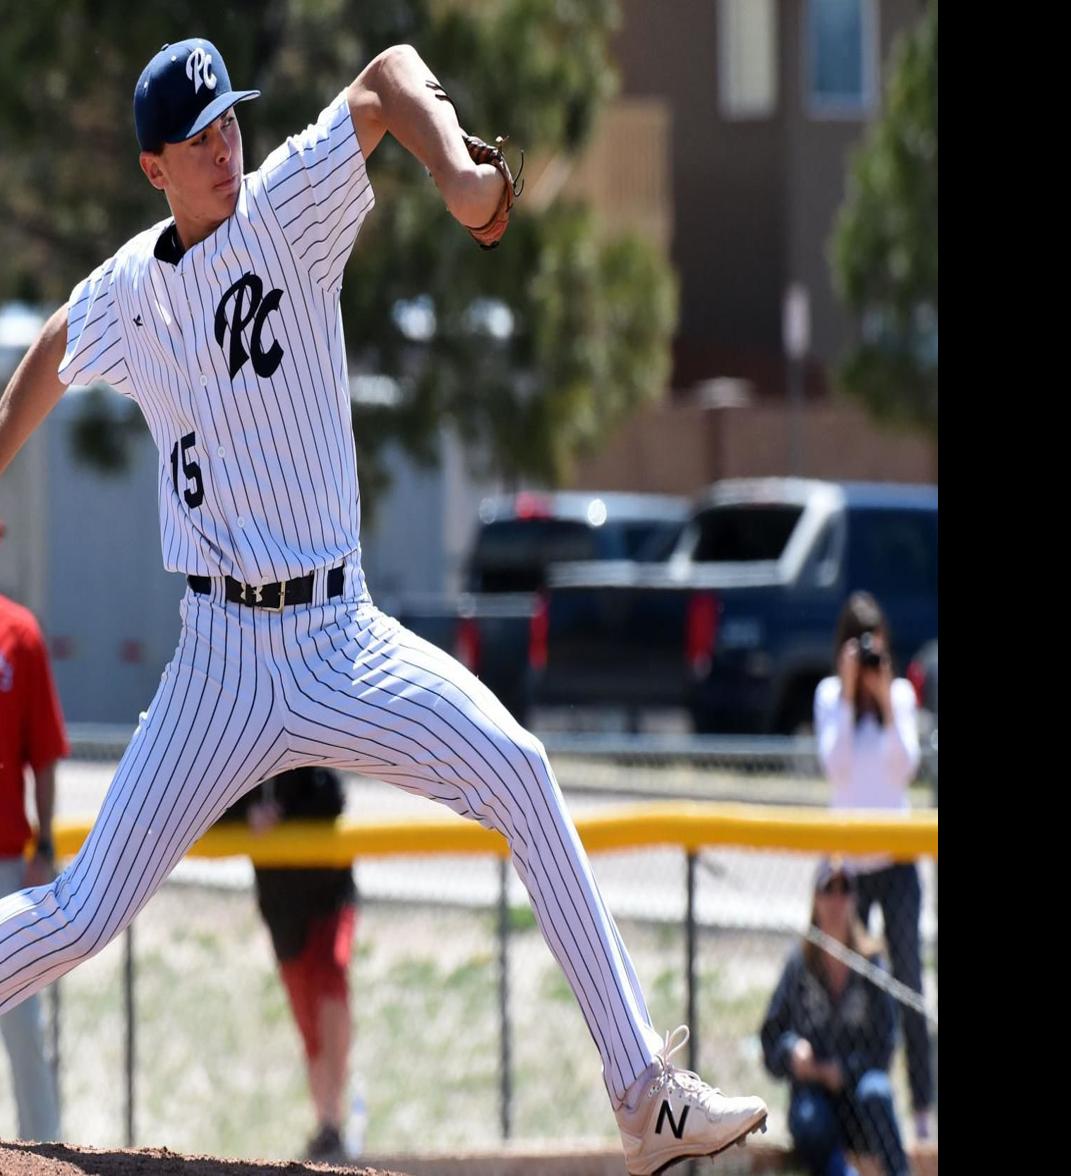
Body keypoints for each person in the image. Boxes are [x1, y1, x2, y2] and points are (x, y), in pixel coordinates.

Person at [0, 36, 766, 1174]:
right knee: (82, 914)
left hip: (335, 636)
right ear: (153, 170)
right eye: (198, 138)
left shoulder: (287, 209)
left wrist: (456, 166)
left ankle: (645, 1095)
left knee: (519, 770)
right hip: (217, 656)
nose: (226, 144)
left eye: (229, 121)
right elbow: (56, 344)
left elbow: (388, 74)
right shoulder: (132, 287)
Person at [814, 591, 932, 1137]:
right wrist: (845, 693)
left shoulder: (901, 695)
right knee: (855, 987)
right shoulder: (829, 697)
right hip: (851, 871)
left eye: (872, 648)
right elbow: (835, 769)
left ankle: (925, 1112)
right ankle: (866, 1112)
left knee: (908, 981)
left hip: (898, 860)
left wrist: (884, 700)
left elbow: (904, 767)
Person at [219, 766, 357, 1162]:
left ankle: (334, 1119)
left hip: (327, 896)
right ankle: (327, 1126)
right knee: (308, 1023)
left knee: (331, 983)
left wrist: (281, 816)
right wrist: (248, 818)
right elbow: (206, 814)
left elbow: (332, 800)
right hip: (283, 912)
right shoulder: (240, 765)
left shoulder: (305, 752)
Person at [761, 858, 907, 1176]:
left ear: (856, 898)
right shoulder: (799, 965)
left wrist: (843, 1071)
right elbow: (771, 1038)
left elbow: (886, 1044)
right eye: (829, 888)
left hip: (859, 1092)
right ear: (816, 897)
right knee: (809, 1117)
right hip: (814, 1096)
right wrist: (791, 1051)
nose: (837, 900)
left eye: (846, 889)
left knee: (878, 1092)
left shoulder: (871, 964)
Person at [0, 517, 65, 1142]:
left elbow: (42, 753)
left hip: (3, 862)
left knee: (22, 1023)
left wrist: (44, 843)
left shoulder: (19, 632)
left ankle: (42, 1152)